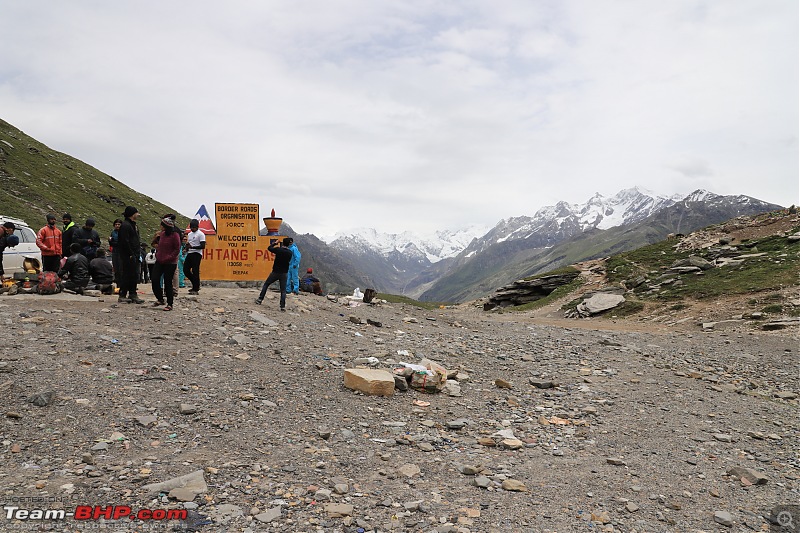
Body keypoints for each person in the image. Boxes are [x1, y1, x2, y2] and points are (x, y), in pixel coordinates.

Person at [150, 218, 181, 311]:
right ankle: (160, 298)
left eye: (162, 225)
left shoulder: (175, 235)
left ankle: (170, 303)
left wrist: (169, 257)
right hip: (160, 260)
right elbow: (159, 246)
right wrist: (158, 254)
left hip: (170, 262)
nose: (161, 227)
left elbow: (176, 249)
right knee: (154, 279)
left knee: (168, 282)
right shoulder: (162, 234)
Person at [255, 237, 293, 311]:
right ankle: (282, 306)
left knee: (266, 284)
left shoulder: (278, 250)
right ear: (288, 244)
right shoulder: (290, 253)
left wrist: (275, 243)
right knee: (283, 290)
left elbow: (269, 248)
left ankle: (260, 299)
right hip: (284, 273)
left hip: (275, 272)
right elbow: (284, 250)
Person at [117, 206, 143, 304]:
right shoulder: (126, 225)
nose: (138, 214)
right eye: (137, 213)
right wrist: (130, 253)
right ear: (132, 214)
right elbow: (124, 241)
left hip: (134, 253)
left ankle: (133, 293)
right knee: (127, 274)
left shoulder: (133, 225)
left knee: (134, 274)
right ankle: (122, 294)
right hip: (129, 255)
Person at [184, 219, 206, 295]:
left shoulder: (201, 234)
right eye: (191, 227)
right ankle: (195, 283)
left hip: (197, 254)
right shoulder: (189, 234)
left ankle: (195, 288)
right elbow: (189, 244)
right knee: (185, 270)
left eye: (193, 227)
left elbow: (202, 246)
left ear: (197, 227)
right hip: (190, 253)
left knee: (195, 270)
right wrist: (186, 249)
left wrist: (192, 247)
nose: (192, 229)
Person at [108, 219, 122, 286]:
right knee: (116, 268)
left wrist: (114, 242)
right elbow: (111, 243)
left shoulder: (123, 232)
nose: (117, 226)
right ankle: (118, 284)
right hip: (115, 252)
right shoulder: (113, 232)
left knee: (121, 268)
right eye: (116, 224)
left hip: (121, 252)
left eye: (119, 224)